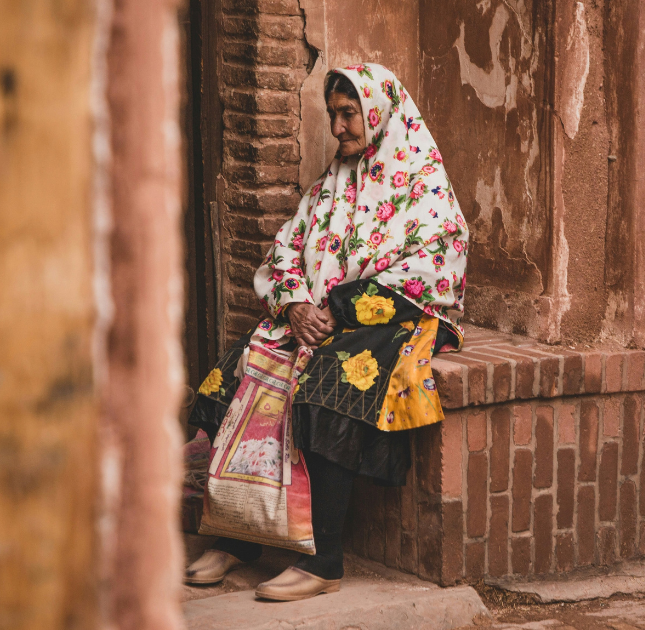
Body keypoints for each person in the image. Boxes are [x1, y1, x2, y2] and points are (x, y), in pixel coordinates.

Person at [186, 63, 468, 602]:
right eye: (333, 115)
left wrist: (341, 308)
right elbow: (287, 246)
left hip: (395, 315)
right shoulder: (329, 185)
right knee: (232, 374)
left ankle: (323, 560)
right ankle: (236, 535)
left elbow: (438, 260)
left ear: (378, 113)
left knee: (329, 386)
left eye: (348, 114)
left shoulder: (421, 182)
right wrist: (292, 304)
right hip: (312, 315)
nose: (338, 127)